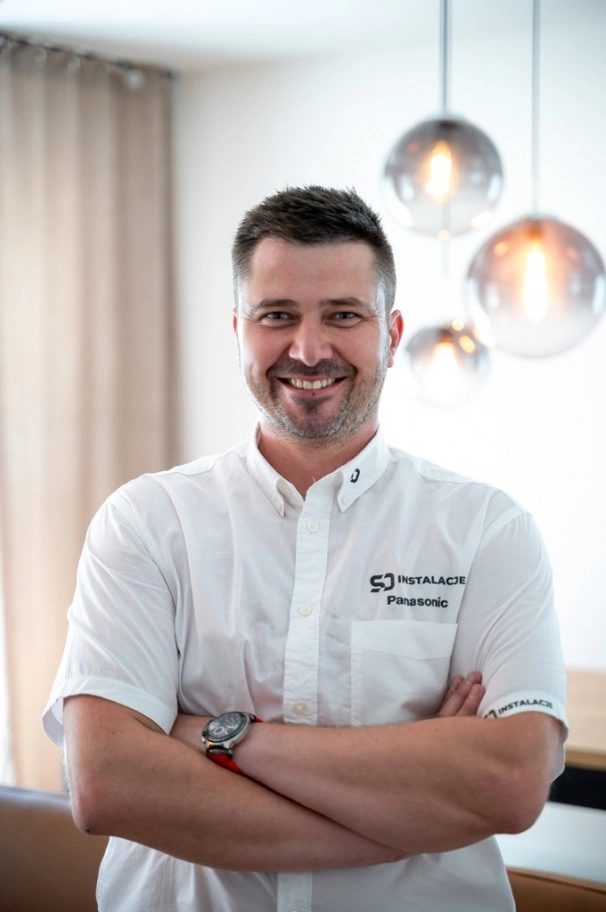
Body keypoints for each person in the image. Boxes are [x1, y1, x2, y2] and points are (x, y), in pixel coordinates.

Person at [44, 186, 567, 912]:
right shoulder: (145, 522)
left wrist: (221, 738)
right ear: (238, 331)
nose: (309, 349)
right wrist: (417, 815)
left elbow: (510, 781)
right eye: (277, 316)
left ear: (391, 334)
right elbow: (109, 785)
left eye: (343, 315)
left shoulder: (488, 530)